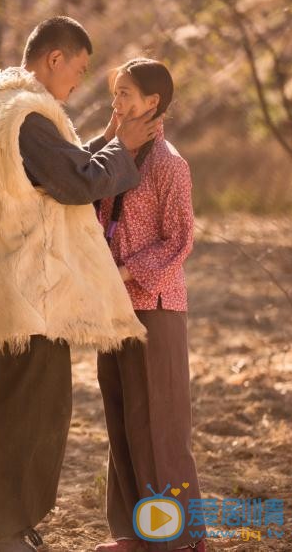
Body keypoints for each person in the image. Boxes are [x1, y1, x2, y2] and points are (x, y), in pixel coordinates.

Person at [0, 17, 160, 552]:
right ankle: (4, 536)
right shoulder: (27, 115)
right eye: (79, 68)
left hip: (2, 291)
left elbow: (55, 169)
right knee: (31, 417)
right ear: (54, 59)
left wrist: (110, 142)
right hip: (31, 293)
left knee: (11, 413)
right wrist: (126, 148)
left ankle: (7, 531)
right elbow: (76, 183)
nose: (79, 81)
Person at [94, 58, 205, 552]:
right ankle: (133, 534)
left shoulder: (169, 164)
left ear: (153, 102)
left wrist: (123, 271)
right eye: (115, 93)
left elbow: (179, 241)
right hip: (111, 309)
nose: (117, 102)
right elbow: (86, 178)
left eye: (125, 94)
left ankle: (178, 540)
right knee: (122, 418)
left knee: (159, 423)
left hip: (154, 306)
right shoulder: (121, 154)